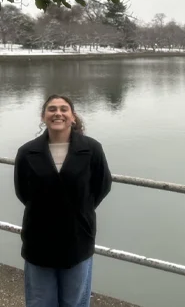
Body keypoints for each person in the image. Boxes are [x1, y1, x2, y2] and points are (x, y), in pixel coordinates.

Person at [13, 95, 112, 307]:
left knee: (74, 302)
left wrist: (78, 210)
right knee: (40, 301)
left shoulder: (92, 149)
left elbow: (102, 186)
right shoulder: (27, 152)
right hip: (38, 238)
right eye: (52, 109)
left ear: (73, 117)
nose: (58, 113)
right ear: (43, 116)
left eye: (64, 109)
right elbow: (23, 192)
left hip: (77, 237)